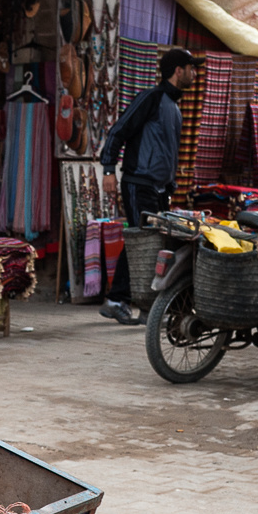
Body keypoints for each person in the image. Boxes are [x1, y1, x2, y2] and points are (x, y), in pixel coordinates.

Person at [98, 47, 204, 324]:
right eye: (191, 68)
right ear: (178, 70)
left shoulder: (173, 107)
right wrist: (109, 169)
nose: (195, 73)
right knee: (143, 240)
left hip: (158, 187)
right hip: (139, 181)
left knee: (149, 243)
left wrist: (170, 185)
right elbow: (118, 130)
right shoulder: (152, 98)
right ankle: (119, 299)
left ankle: (141, 304)